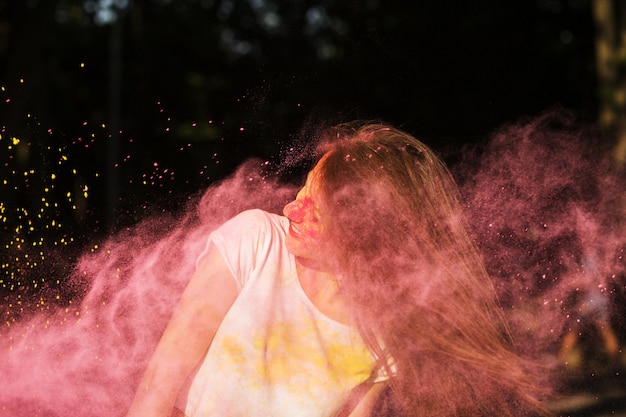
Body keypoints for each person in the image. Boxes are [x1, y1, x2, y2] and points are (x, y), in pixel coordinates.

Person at [126, 122, 550, 417]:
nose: (292, 207)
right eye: (304, 186)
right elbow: (156, 388)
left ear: (367, 233)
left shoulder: (385, 327)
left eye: (316, 209)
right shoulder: (254, 241)